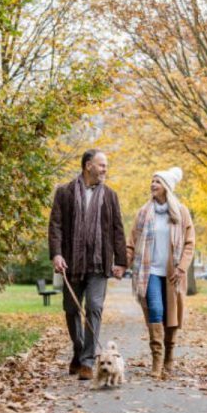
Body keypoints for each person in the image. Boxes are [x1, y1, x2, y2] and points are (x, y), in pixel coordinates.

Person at [48, 149, 127, 380]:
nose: (105, 169)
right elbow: (55, 226)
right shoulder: (64, 192)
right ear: (88, 165)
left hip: (99, 263)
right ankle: (79, 349)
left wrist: (121, 262)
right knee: (71, 309)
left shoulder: (110, 195)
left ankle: (86, 361)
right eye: (102, 165)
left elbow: (117, 230)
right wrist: (57, 254)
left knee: (94, 306)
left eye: (106, 166)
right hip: (71, 262)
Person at [127, 167, 195, 378]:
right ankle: (157, 360)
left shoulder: (181, 212)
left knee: (171, 317)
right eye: (152, 181)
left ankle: (169, 357)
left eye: (156, 181)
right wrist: (124, 263)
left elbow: (189, 243)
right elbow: (132, 241)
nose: (152, 184)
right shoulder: (143, 212)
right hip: (150, 272)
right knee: (156, 310)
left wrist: (182, 267)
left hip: (173, 273)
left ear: (166, 187)